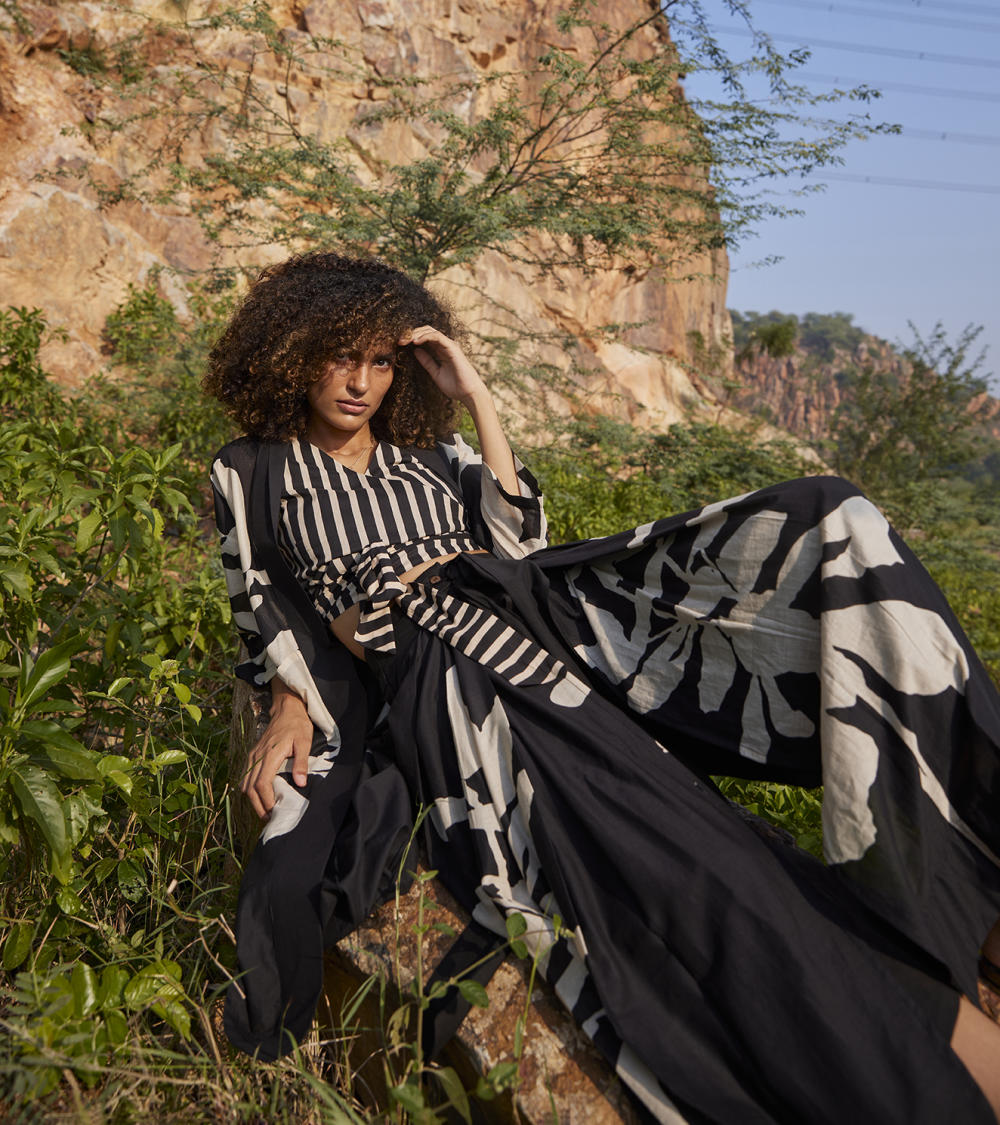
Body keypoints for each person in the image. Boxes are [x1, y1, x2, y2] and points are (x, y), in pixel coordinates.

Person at [205, 252, 1000, 1124]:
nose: (362, 382)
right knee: (665, 870)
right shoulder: (251, 469)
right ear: (296, 352)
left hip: (535, 630)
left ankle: (965, 853)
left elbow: (519, 544)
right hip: (446, 684)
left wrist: (477, 396)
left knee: (832, 519)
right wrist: (290, 699)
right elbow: (267, 607)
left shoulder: (434, 454)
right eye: (341, 357)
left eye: (383, 360)